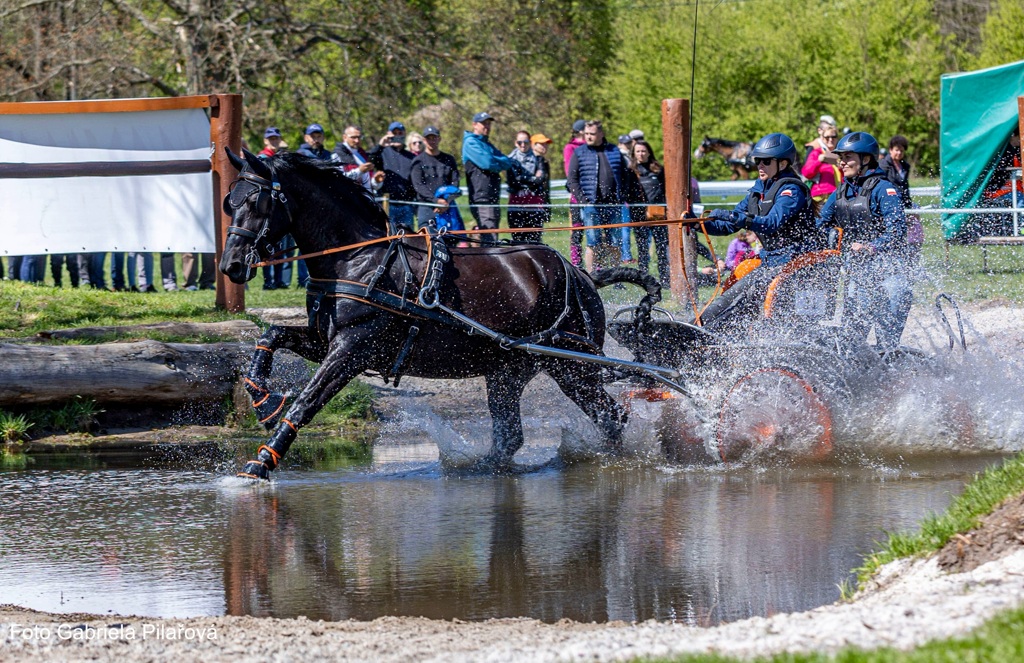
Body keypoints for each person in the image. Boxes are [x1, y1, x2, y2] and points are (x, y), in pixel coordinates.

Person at [699, 132, 819, 332]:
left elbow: (772, 222)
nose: (759, 165)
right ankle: (700, 326)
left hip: (796, 261)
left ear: (782, 164)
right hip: (771, 261)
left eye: (765, 161)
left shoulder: (792, 191)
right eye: (757, 161)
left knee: (744, 293)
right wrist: (698, 226)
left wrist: (738, 218)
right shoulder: (757, 191)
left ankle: (712, 332)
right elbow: (729, 226)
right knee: (732, 291)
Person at [818, 131, 911, 351]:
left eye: (848, 157)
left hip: (890, 278)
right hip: (858, 277)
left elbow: (897, 230)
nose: (841, 162)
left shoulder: (884, 190)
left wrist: (871, 246)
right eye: (840, 157)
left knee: (887, 347)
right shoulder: (841, 191)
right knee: (851, 343)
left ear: (866, 159)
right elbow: (821, 223)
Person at [566, 120, 637, 272]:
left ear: (601, 134)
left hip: (614, 204)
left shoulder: (614, 150)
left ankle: (616, 277)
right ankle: (592, 277)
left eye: (592, 134)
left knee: (616, 242)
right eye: (586, 134)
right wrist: (583, 200)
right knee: (592, 242)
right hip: (591, 205)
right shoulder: (579, 152)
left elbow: (625, 175)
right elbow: (572, 180)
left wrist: (622, 195)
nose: (588, 137)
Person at [462, 111, 517, 244]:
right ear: (474, 125)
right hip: (481, 198)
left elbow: (507, 161)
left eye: (488, 123)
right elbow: (487, 163)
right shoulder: (470, 143)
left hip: (492, 196)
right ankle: (488, 263)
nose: (487, 126)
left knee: (492, 234)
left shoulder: (487, 144)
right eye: (483, 123)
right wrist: (496, 163)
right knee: (489, 236)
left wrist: (494, 160)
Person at [629, 139, 670, 284]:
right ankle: (644, 277)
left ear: (649, 152)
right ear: (634, 153)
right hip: (638, 213)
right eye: (638, 151)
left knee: (661, 245)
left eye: (643, 151)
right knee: (642, 247)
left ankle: (665, 278)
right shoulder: (631, 171)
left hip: (657, 213)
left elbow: (666, 189)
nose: (641, 154)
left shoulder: (658, 169)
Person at [879, 135, 921, 262]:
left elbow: (905, 188)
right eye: (896, 150)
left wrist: (909, 207)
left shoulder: (905, 166)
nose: (899, 153)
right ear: (891, 150)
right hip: (889, 204)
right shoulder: (883, 165)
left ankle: (909, 259)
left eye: (901, 151)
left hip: (903, 204)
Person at [410, 126, 459, 229]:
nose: (432, 141)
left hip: (447, 206)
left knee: (451, 240)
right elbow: (418, 185)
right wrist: (436, 201)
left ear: (439, 139)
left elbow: (455, 182)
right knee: (427, 240)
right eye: (429, 138)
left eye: (434, 138)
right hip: (426, 206)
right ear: (424, 140)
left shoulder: (449, 159)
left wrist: (446, 201)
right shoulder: (418, 161)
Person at [370, 121, 417, 229]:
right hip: (387, 203)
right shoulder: (382, 152)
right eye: (394, 133)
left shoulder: (411, 156)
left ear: (404, 134)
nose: (397, 136)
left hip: (407, 204)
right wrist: (380, 145)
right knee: (389, 236)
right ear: (389, 134)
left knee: (408, 237)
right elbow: (370, 160)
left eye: (400, 133)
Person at [507, 130, 548, 243]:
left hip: (534, 203)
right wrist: (532, 178)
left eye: (525, 142)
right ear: (516, 143)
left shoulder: (538, 159)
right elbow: (513, 181)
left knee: (535, 239)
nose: (523, 145)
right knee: (518, 240)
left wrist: (523, 178)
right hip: (516, 204)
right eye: (520, 142)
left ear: (530, 142)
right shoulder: (510, 160)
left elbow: (541, 179)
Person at [980, 129, 1022, 236]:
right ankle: (1022, 229)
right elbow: (999, 175)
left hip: (1010, 188)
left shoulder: (1015, 150)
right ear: (1013, 136)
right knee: (1021, 201)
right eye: (1020, 137)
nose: (1021, 140)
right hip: (998, 190)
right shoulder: (1004, 151)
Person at [801, 122, 841, 215]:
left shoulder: (841, 155)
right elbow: (806, 173)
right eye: (827, 137)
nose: (830, 139)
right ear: (822, 138)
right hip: (821, 197)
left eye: (833, 137)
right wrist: (819, 161)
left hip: (839, 196)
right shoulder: (817, 153)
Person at [562, 119, 587, 266]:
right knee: (577, 232)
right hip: (577, 198)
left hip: (593, 197)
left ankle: (597, 265)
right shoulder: (570, 147)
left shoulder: (594, 146)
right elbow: (569, 171)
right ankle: (576, 262)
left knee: (596, 234)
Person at [334, 125, 386, 194]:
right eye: (353, 137)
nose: (357, 140)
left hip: (365, 200)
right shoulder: (337, 155)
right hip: (348, 200)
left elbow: (370, 185)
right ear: (344, 137)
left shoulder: (363, 154)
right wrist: (359, 171)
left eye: (359, 137)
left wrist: (376, 181)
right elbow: (338, 180)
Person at [617, 134, 635, 263]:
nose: (627, 145)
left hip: (626, 198)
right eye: (625, 143)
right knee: (625, 228)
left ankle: (625, 255)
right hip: (623, 199)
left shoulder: (627, 156)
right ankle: (625, 255)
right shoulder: (623, 157)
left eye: (628, 143)